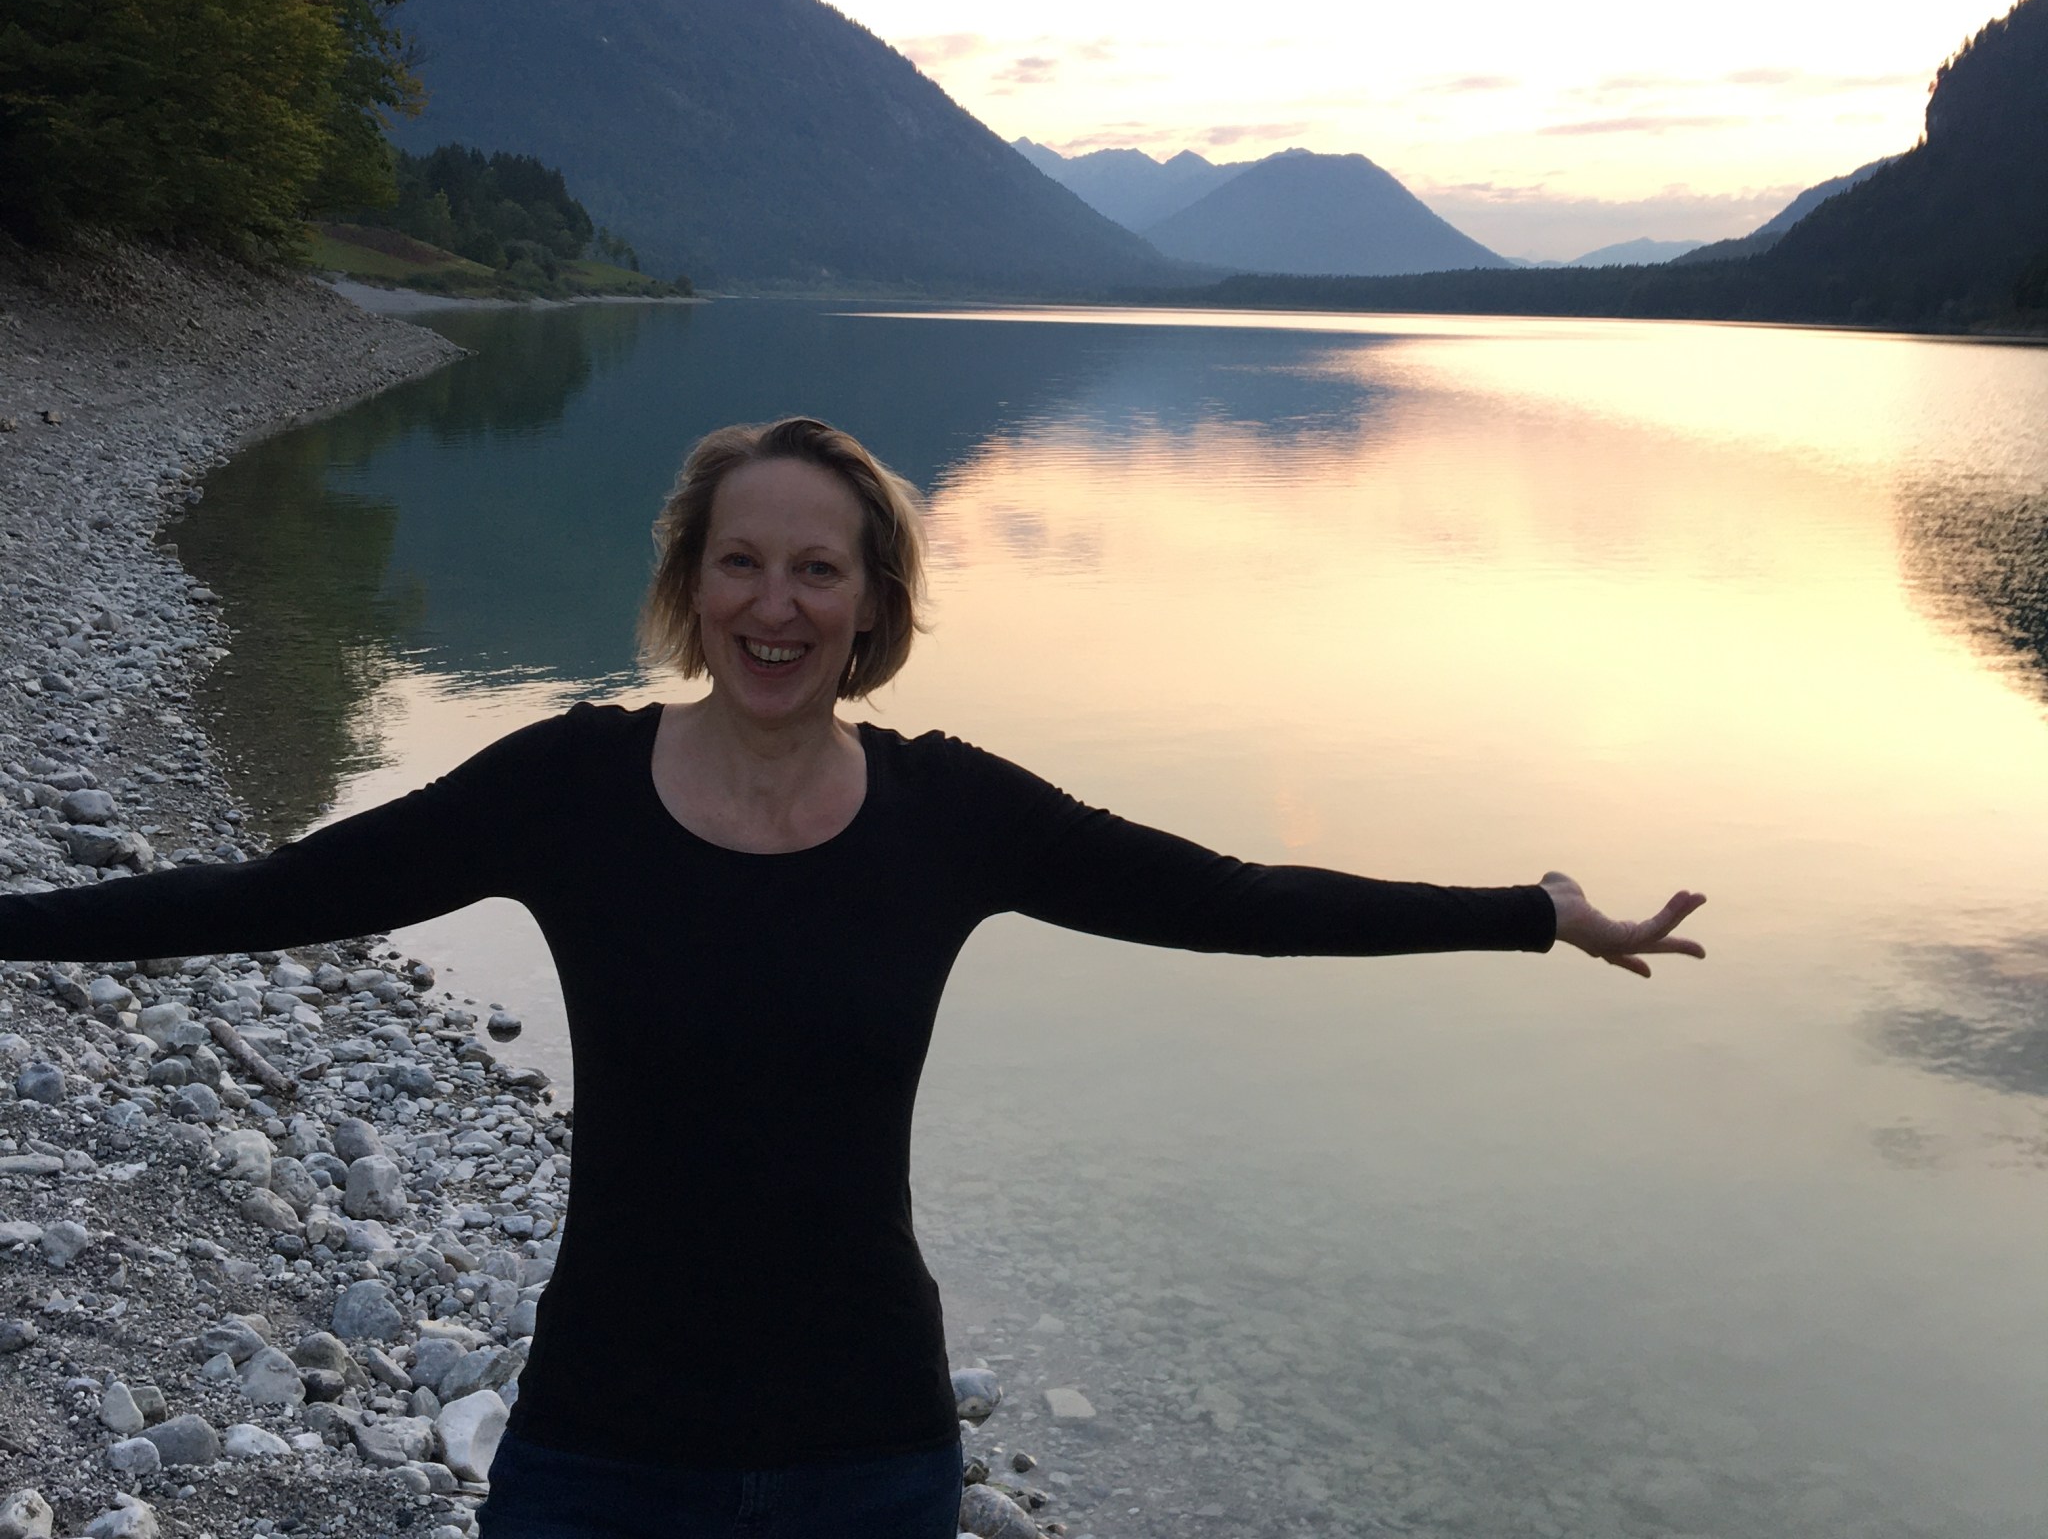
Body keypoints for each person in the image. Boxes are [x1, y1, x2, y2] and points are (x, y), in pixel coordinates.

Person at [1, 416, 1705, 1538]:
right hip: (600, 1444)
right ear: (690, 585)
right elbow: (276, 895)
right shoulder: (567, 790)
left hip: (866, 1452)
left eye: (820, 567)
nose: (778, 602)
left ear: (873, 602)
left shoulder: (950, 815)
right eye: (741, 560)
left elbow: (1233, 902)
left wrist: (1530, 912)